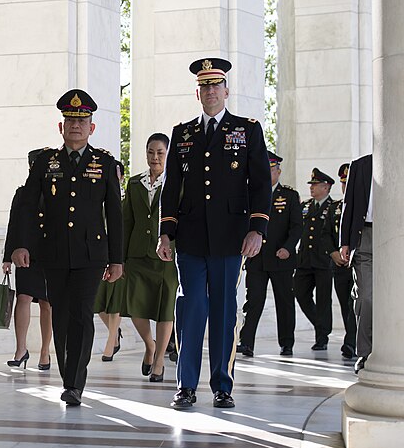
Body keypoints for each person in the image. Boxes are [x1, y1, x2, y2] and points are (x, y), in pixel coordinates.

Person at [157, 58, 271, 410]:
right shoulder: (183, 133)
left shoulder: (247, 130)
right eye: (203, 86)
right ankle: (186, 386)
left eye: (215, 85)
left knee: (224, 310)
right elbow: (171, 186)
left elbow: (261, 184)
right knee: (190, 308)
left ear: (226, 90)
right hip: (190, 238)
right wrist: (165, 233)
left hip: (230, 237)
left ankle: (222, 384)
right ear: (197, 93)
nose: (209, 92)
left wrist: (257, 229)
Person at [11, 89, 124, 406]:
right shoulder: (46, 162)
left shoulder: (104, 163)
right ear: (61, 126)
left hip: (91, 255)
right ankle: (67, 374)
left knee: (81, 315)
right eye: (70, 119)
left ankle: (75, 381)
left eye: (82, 120)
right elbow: (28, 206)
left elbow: (114, 214)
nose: (76, 125)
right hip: (54, 252)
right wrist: (21, 245)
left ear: (92, 127)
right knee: (60, 316)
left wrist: (117, 259)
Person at [124, 133, 178, 383]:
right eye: (150, 152)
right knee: (136, 307)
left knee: (165, 309)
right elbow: (127, 222)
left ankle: (158, 363)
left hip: (167, 255)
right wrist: (120, 258)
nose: (155, 157)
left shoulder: (177, 183)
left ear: (168, 154)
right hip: (137, 254)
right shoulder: (135, 183)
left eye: (160, 153)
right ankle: (150, 345)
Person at [237, 151, 302, 357]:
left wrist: (288, 248)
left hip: (280, 257)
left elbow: (297, 227)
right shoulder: (250, 194)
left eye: (271, 169)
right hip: (256, 257)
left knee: (284, 301)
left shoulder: (289, 196)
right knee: (253, 300)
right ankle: (246, 342)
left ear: (278, 171)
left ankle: (287, 342)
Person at [3, 149, 53, 371]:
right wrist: (7, 256)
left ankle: (45, 352)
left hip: (51, 255)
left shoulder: (56, 191)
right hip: (27, 254)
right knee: (23, 297)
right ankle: (21, 349)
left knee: (47, 304)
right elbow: (13, 224)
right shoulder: (22, 193)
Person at [295, 168, 336, 351]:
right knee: (300, 293)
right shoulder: (305, 206)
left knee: (323, 299)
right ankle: (320, 325)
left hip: (323, 260)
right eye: (311, 185)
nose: (312, 188)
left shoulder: (333, 208)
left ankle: (322, 336)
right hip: (305, 260)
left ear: (326, 187)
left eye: (316, 185)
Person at [339, 154, 373, 374]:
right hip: (365, 237)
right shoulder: (360, 166)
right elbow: (348, 205)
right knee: (366, 297)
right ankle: (365, 352)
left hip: (398, 239)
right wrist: (345, 242)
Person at [94, 160, 126, 362]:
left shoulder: (128, 195)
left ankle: (111, 342)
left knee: (115, 302)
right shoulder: (98, 194)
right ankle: (116, 334)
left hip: (120, 254)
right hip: (100, 253)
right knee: (98, 303)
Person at [328, 163, 357, 360]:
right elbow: (326, 235)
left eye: (348, 183)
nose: (345, 187)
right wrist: (333, 253)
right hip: (339, 266)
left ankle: (351, 342)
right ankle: (351, 339)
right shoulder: (335, 207)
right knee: (345, 306)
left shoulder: (361, 206)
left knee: (354, 303)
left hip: (356, 265)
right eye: (343, 183)